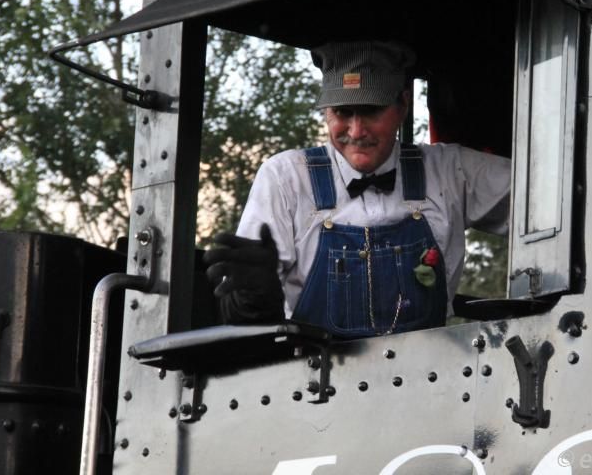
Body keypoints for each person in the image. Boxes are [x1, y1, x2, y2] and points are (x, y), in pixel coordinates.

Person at [204, 40, 510, 337]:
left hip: (428, 378)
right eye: (342, 112)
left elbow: (545, 197)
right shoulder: (285, 177)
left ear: (403, 103)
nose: (356, 131)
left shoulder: (450, 171)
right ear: (326, 111)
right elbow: (249, 326)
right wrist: (254, 297)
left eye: (370, 111)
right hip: (316, 383)